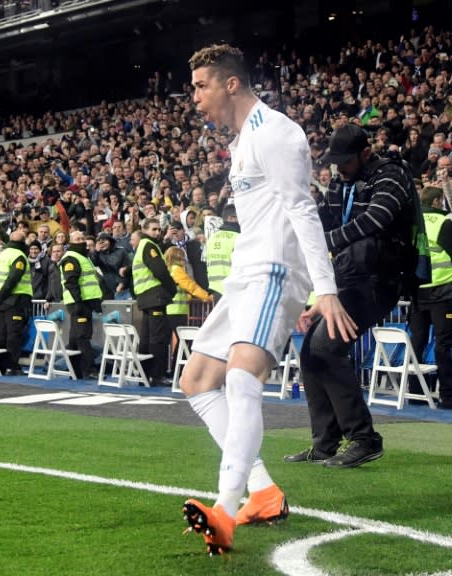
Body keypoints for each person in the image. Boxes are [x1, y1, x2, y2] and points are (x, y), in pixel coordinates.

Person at [179, 44, 356, 555]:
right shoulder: (241, 142)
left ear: (230, 84)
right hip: (245, 277)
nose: (195, 98)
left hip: (275, 270)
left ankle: (226, 511)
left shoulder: (276, 132)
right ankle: (263, 491)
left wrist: (324, 289)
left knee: (240, 377)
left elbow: (302, 211)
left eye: (200, 86)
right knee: (196, 381)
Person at [288, 123, 416, 467]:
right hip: (348, 279)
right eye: (335, 161)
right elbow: (323, 221)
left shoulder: (390, 175)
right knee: (312, 352)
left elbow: (377, 218)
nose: (338, 168)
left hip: (379, 281)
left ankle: (364, 438)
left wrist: (326, 242)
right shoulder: (340, 182)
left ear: (365, 154)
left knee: (325, 347)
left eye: (345, 161)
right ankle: (326, 442)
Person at [408, 185, 452, 409]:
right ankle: (447, 396)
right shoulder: (445, 222)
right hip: (442, 291)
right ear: (436, 202)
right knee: (443, 343)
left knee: (417, 341)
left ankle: (415, 392)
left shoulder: (412, 223)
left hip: (417, 291)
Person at [130, 217, 177, 386]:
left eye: (158, 229)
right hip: (155, 296)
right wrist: (173, 288)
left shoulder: (143, 246)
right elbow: (160, 271)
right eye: (154, 229)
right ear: (145, 230)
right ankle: (157, 375)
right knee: (158, 337)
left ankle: (144, 374)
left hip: (145, 297)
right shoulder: (149, 246)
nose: (157, 232)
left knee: (147, 337)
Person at [59, 230, 103, 379]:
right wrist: (78, 302)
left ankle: (74, 371)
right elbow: (71, 282)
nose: (81, 241)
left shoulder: (83, 257)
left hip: (85, 302)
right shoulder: (71, 258)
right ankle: (89, 370)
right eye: (77, 239)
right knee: (82, 337)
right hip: (79, 302)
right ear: (71, 242)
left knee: (75, 337)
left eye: (82, 238)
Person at [0, 228, 32, 376]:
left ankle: (0, 366)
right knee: (14, 334)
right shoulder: (19, 256)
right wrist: (2, 295)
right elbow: (13, 279)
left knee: (2, 333)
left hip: (2, 300)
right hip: (16, 299)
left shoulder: (0, 255)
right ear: (23, 241)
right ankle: (12, 366)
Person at [163, 246, 210, 356]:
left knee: (180, 341)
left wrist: (188, 296)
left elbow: (182, 289)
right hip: (177, 311)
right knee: (183, 341)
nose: (184, 260)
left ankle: (176, 368)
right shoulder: (177, 270)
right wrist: (207, 296)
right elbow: (190, 286)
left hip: (170, 309)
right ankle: (178, 369)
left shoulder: (168, 270)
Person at [204, 203, 240, 301]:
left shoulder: (212, 238)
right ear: (231, 218)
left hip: (216, 290)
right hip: (234, 289)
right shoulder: (238, 237)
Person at [91, 232, 131, 300]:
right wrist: (96, 251)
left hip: (124, 290)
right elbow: (94, 263)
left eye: (104, 240)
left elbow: (127, 268)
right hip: (109, 291)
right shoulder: (98, 255)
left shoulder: (121, 251)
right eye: (100, 242)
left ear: (110, 241)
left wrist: (122, 283)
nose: (102, 243)